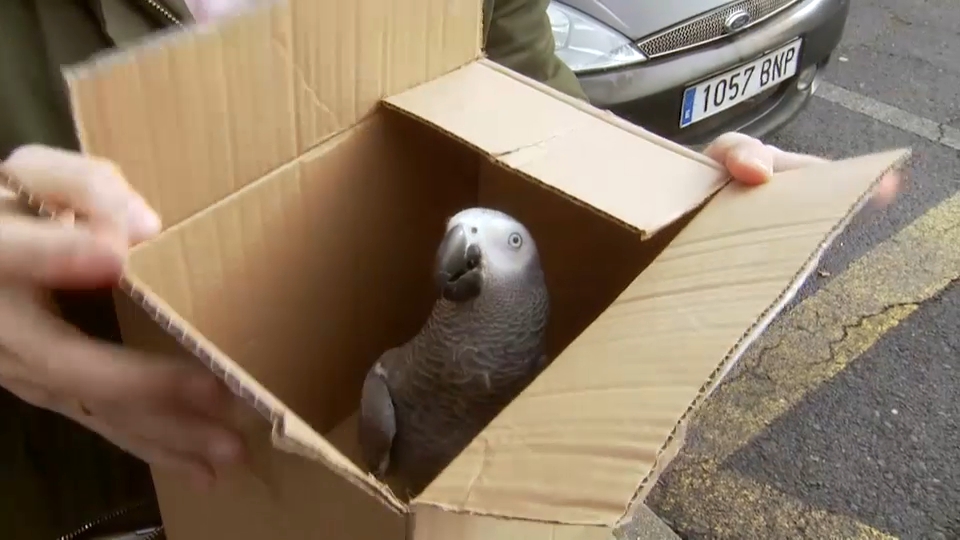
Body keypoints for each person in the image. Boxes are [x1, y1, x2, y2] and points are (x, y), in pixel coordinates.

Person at [0, 0, 900, 537]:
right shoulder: (390, 386)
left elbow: (540, 114)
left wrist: (686, 214)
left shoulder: (526, 363)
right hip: (103, 495)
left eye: (497, 242)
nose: (469, 244)